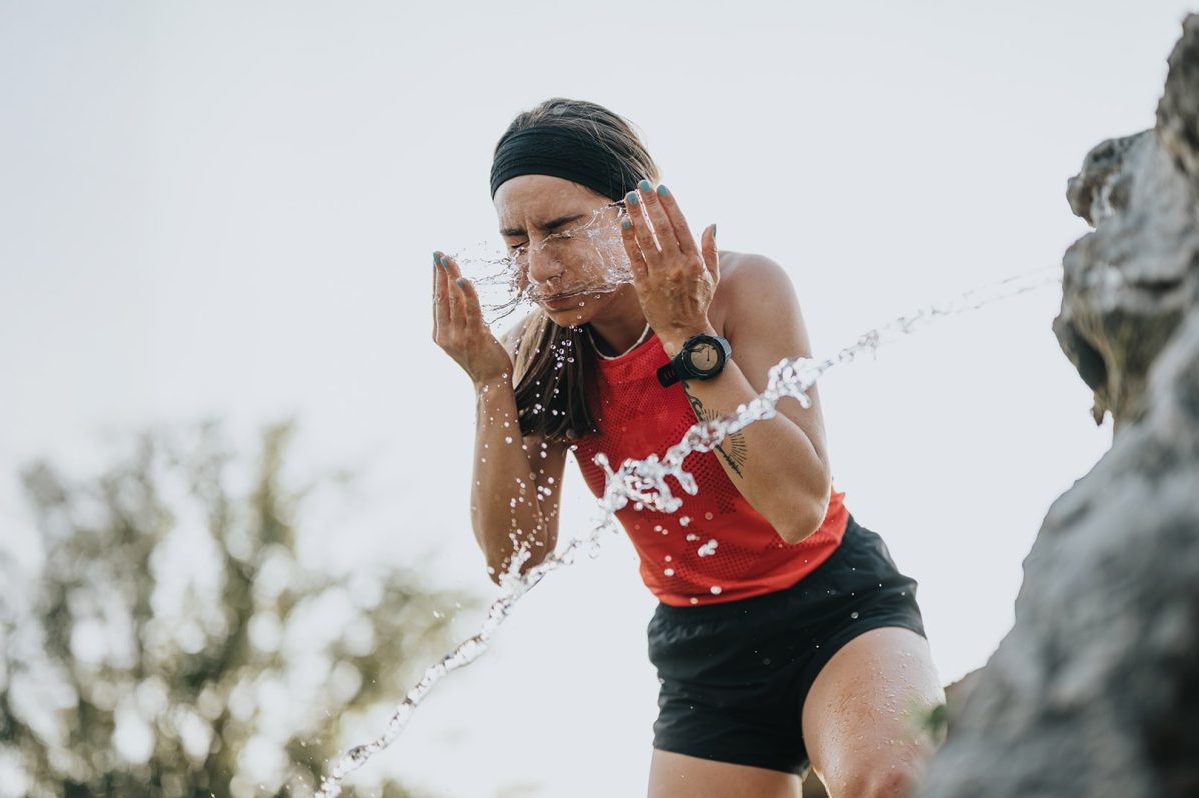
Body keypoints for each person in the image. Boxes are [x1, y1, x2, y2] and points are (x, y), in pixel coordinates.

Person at [431, 97, 946, 798]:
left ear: (634, 210)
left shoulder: (738, 288)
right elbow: (514, 559)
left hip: (835, 608)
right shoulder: (537, 352)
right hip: (703, 652)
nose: (539, 269)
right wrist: (490, 386)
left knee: (892, 784)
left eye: (560, 230)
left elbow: (797, 509)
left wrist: (685, 337)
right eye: (516, 242)